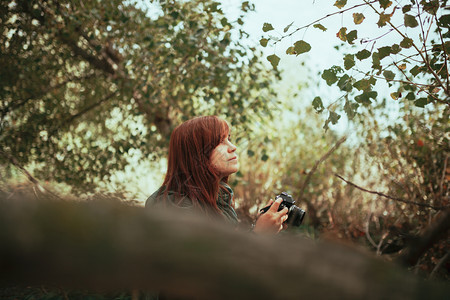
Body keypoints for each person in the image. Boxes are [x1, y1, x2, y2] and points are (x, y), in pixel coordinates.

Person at [146, 115, 288, 234]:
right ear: (197, 154)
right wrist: (259, 235)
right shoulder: (175, 208)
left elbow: (227, 247)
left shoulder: (219, 199)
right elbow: (210, 264)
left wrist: (260, 225)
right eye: (220, 142)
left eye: (229, 139)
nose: (233, 147)